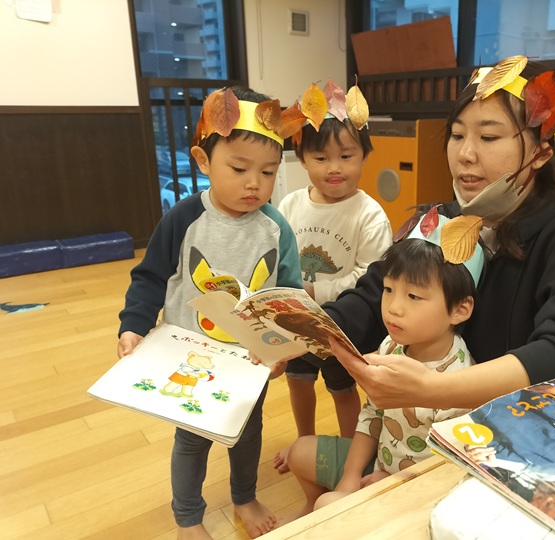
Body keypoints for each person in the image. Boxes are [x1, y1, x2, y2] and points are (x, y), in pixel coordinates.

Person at [321, 55, 555, 411]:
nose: (465, 154)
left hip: (518, 422)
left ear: (541, 152)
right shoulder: (442, 221)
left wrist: (435, 389)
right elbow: (376, 291)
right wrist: (306, 330)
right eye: (457, 135)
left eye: (488, 137)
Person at [117, 87, 302, 539]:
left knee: (246, 432)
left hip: (249, 360)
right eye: (239, 169)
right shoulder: (182, 218)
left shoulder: (276, 227)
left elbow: (289, 295)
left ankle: (244, 496)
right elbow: (150, 277)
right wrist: (134, 326)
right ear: (203, 161)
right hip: (189, 355)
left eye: (268, 172)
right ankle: (188, 519)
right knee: (191, 439)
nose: (254, 183)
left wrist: (280, 346)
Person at [282, 211, 483, 522]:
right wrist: (350, 479)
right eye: (389, 289)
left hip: (417, 492)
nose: (393, 308)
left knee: (328, 508)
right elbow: (372, 414)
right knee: (299, 452)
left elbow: (448, 471)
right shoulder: (391, 345)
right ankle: (312, 506)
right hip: (378, 464)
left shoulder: (462, 382)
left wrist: (393, 483)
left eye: (414, 296)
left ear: (460, 309)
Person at [274, 80, 393, 473]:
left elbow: (370, 278)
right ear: (302, 158)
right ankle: (303, 441)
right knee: (298, 380)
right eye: (321, 157)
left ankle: (350, 452)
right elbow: (278, 258)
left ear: (364, 156)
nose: (334, 167)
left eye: (346, 155)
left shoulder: (369, 215)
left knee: (343, 387)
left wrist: (316, 288)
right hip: (297, 318)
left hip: (345, 325)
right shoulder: (290, 205)